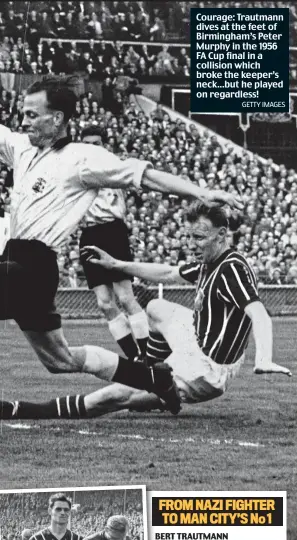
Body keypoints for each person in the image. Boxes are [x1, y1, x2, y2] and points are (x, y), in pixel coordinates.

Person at [0, 77, 240, 415]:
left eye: (30, 114)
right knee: (60, 360)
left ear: (56, 119)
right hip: (13, 259)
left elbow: (145, 175)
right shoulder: (21, 147)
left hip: (33, 267)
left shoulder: (83, 158)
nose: (23, 121)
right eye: (21, 114)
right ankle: (153, 378)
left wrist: (199, 193)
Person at [3, 202, 291, 421]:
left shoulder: (232, 268)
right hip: (195, 340)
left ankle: (20, 410)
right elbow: (167, 272)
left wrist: (264, 357)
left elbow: (259, 313)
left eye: (199, 238)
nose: (191, 245)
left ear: (222, 235)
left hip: (207, 369)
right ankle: (150, 373)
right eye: (189, 237)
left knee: (114, 396)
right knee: (156, 307)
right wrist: (117, 266)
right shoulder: (209, 262)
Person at [79, 125, 149, 360]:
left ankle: (149, 355)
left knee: (126, 297)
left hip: (112, 230)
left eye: (96, 143)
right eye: (87, 143)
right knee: (105, 303)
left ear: (104, 145)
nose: (91, 148)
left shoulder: (116, 167)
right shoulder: (75, 170)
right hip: (88, 235)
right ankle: (134, 358)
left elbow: (142, 181)